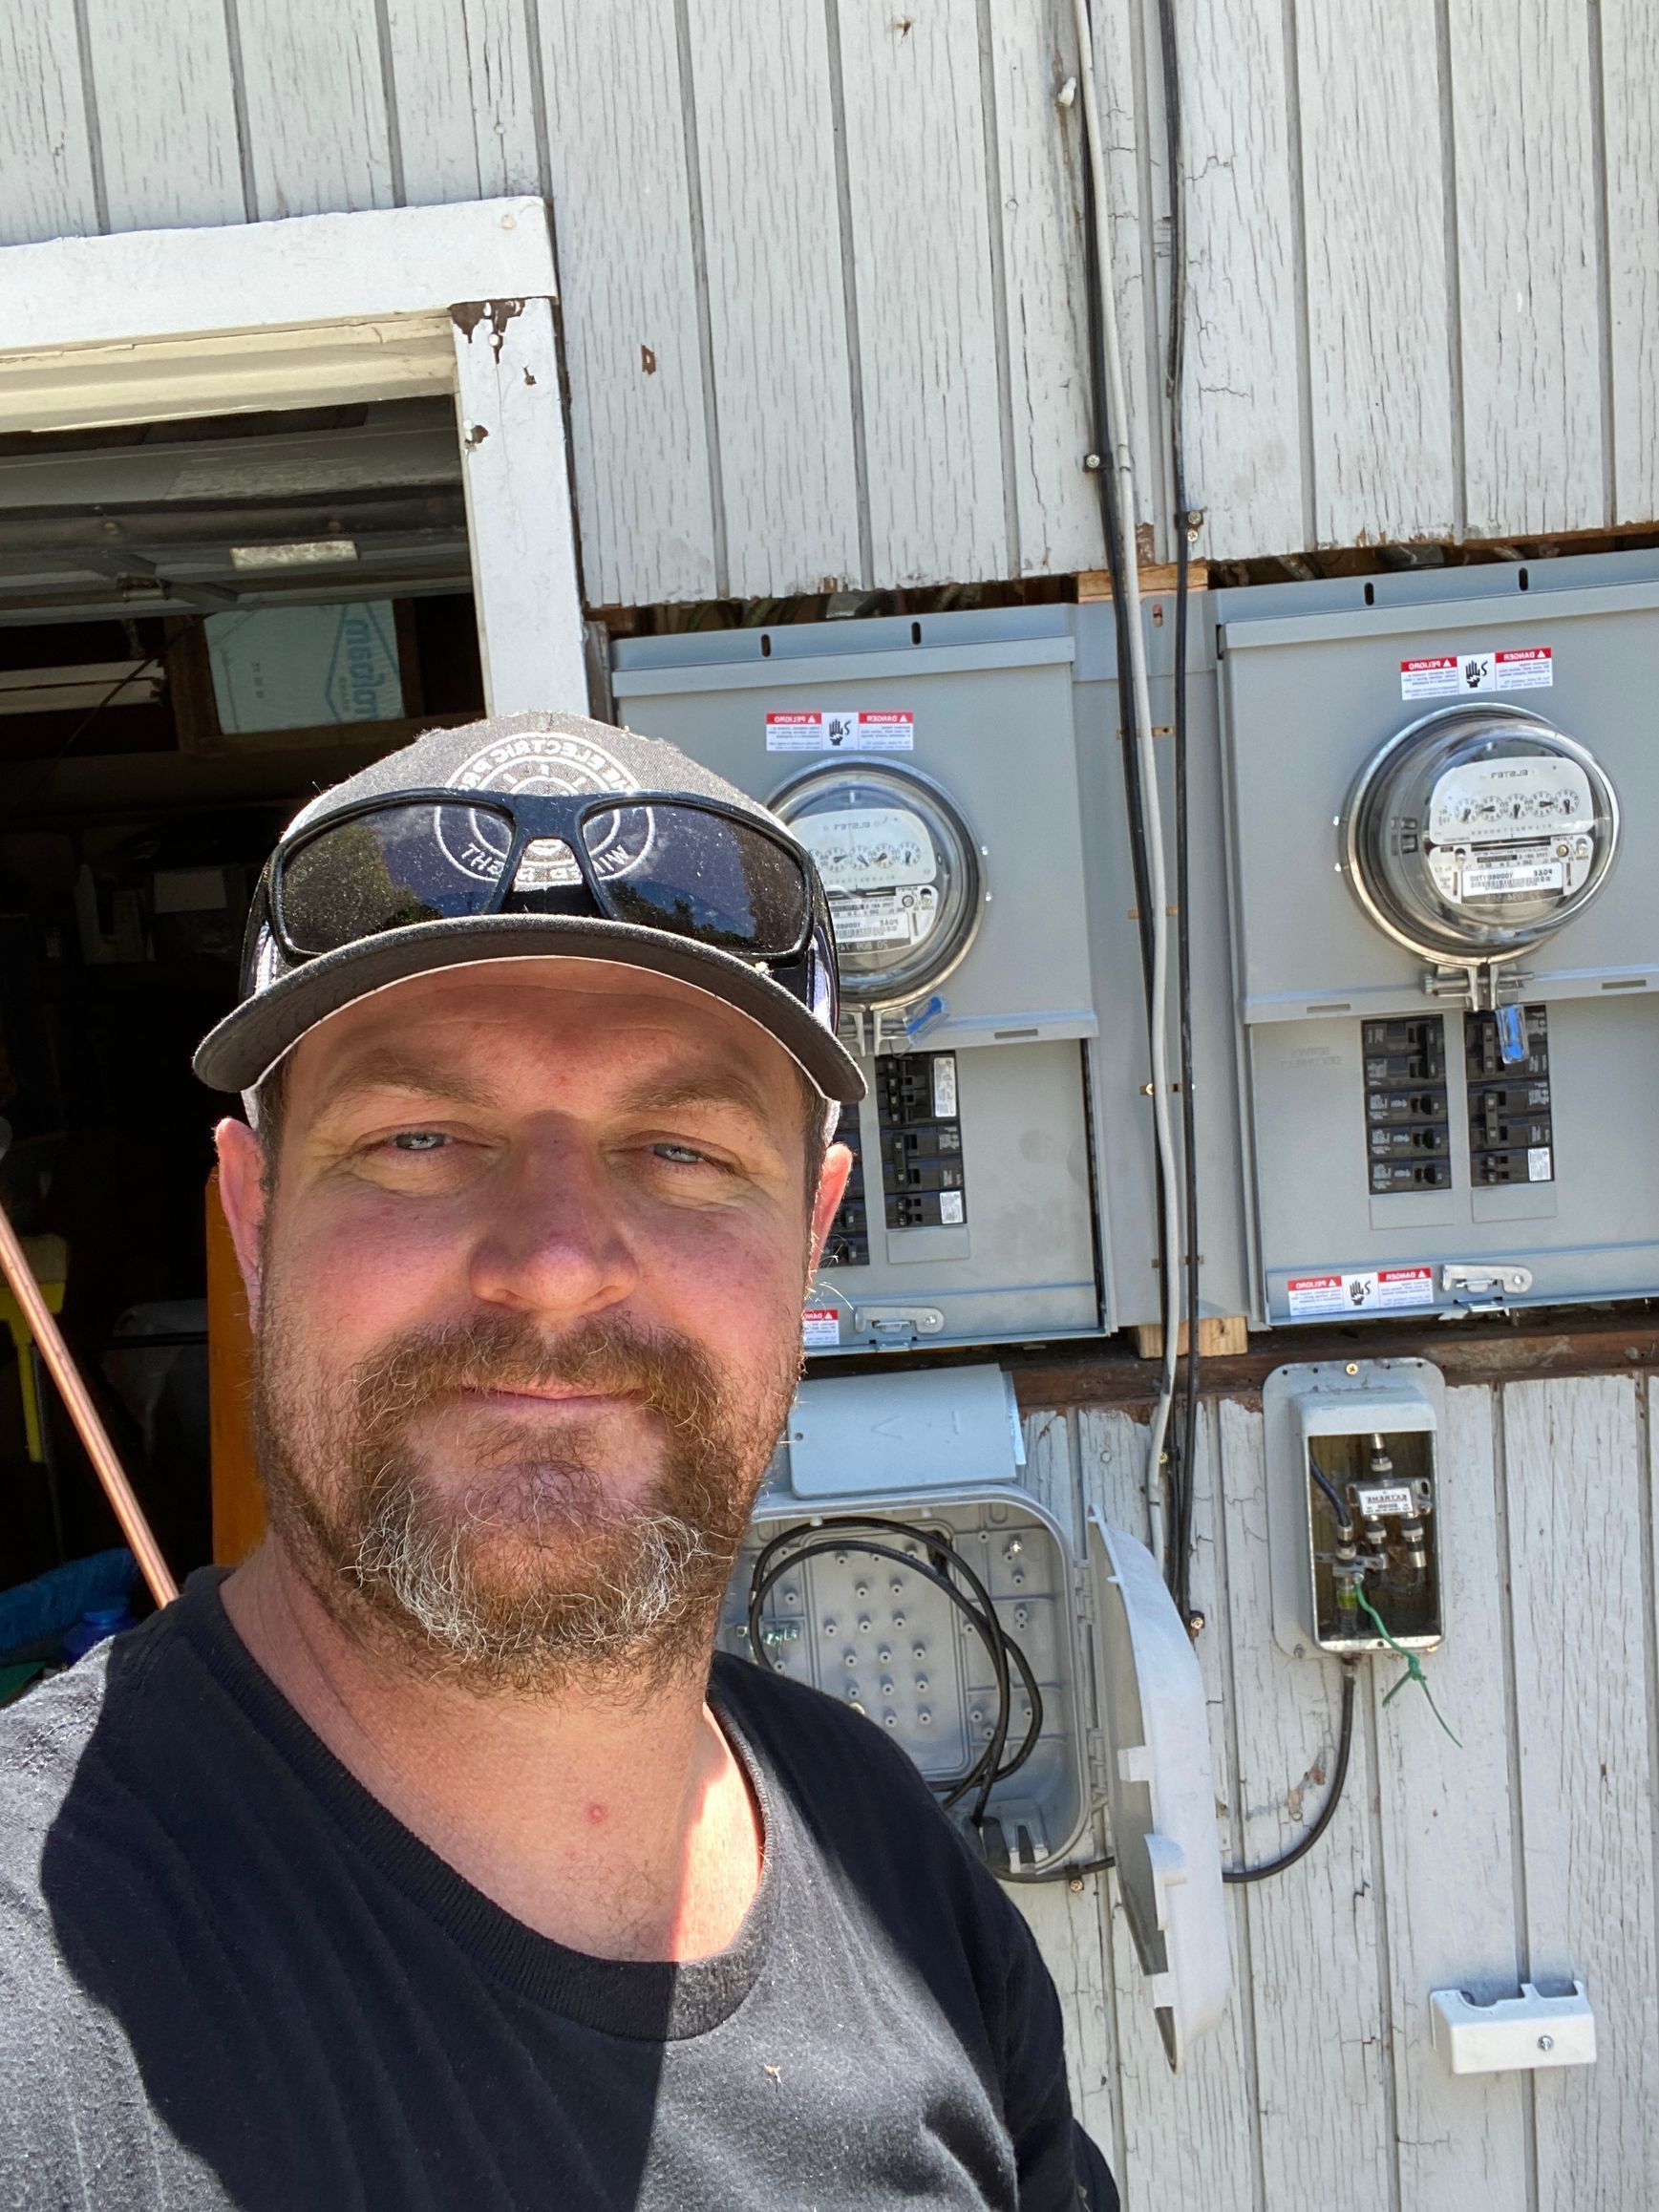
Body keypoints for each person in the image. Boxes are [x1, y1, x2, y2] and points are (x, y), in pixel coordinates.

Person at [0, 712, 1117, 2211]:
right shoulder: (38, 2005)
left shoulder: (886, 1858)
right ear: (256, 1220)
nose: (549, 1265)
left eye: (679, 1149)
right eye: (417, 1138)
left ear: (807, 1235)